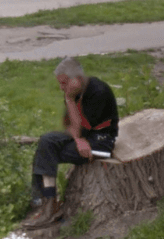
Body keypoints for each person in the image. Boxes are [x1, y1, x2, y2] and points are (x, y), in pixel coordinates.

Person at [22, 57, 120, 230]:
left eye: (64, 83)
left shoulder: (99, 92)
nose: (62, 88)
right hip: (83, 136)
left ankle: (47, 207)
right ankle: (45, 202)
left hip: (101, 141)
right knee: (47, 141)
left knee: (47, 153)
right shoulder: (73, 92)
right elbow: (70, 125)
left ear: (78, 79)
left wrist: (79, 135)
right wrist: (78, 138)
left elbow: (82, 128)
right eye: (60, 84)